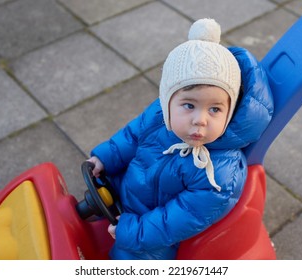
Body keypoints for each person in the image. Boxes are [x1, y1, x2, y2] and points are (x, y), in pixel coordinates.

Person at [87, 18, 273, 259]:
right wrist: (105, 157)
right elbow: (132, 135)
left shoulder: (220, 173)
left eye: (215, 109)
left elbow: (181, 218)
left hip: (151, 235)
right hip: (125, 191)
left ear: (230, 111)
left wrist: (135, 231)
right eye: (189, 105)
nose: (200, 120)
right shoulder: (160, 115)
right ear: (168, 101)